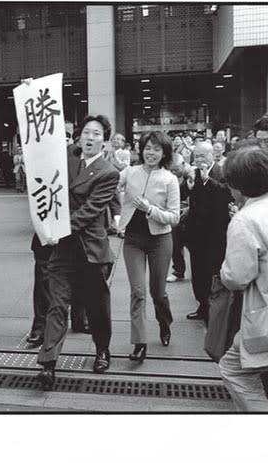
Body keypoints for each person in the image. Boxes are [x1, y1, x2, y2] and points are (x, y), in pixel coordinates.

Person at [36, 115, 119, 390]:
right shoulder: (70, 158)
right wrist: (31, 92)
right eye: (86, 132)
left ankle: (102, 351)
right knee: (57, 306)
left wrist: (58, 228)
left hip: (90, 251)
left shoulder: (108, 172)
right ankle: (48, 364)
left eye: (96, 134)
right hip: (63, 252)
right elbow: (43, 142)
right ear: (79, 136)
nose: (90, 138)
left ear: (104, 141)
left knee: (97, 308)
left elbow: (90, 212)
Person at [218, 148, 268, 412]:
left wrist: (223, 271)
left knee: (233, 369)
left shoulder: (245, 220)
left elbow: (237, 278)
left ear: (238, 187)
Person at [118, 131, 179, 363]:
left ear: (164, 153)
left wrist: (149, 209)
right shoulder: (130, 172)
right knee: (138, 292)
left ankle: (165, 322)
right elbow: (108, 182)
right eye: (147, 148)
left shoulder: (169, 179)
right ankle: (140, 343)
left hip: (160, 241)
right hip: (133, 240)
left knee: (157, 292)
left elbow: (174, 217)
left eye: (156, 149)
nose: (150, 153)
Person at [183, 141, 232, 321]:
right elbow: (183, 194)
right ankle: (202, 306)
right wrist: (187, 185)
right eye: (196, 156)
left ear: (212, 155)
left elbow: (227, 193)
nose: (199, 160)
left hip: (216, 233)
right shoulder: (193, 173)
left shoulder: (222, 172)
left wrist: (207, 181)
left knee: (213, 271)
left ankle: (215, 311)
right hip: (196, 233)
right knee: (197, 273)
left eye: (203, 156)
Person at [26, 234, 53, 347]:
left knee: (81, 274)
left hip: (80, 232)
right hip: (48, 230)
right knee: (43, 278)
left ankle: (80, 317)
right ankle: (40, 326)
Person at [166, 153, 189, 283]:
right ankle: (178, 271)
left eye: (176, 169)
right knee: (175, 244)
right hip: (175, 215)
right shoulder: (168, 179)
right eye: (172, 170)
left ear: (183, 165)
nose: (174, 172)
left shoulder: (191, 176)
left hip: (190, 214)